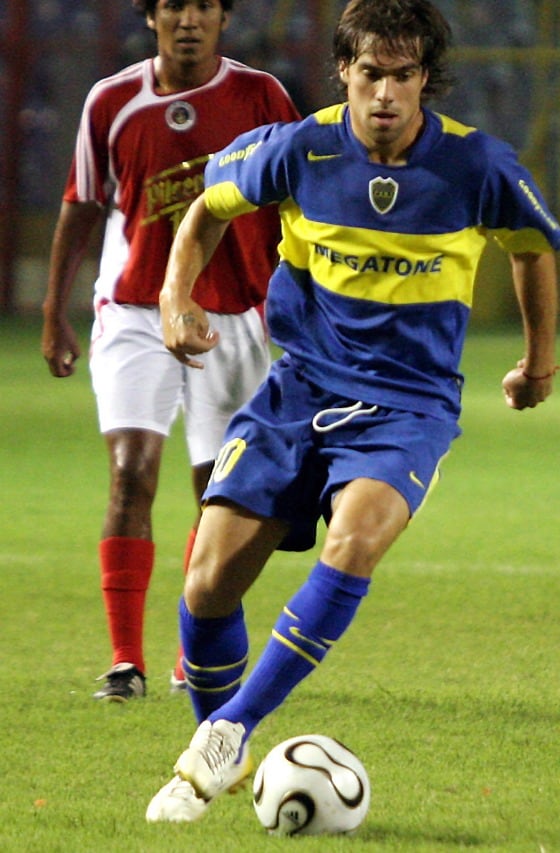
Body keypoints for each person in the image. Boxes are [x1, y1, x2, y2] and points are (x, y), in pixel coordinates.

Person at [144, 0, 560, 823]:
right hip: (300, 389)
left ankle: (229, 729)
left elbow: (531, 245)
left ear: (425, 81)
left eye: (404, 76)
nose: (385, 94)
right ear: (344, 72)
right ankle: (221, 741)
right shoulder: (300, 149)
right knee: (207, 583)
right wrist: (173, 296)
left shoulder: (476, 165)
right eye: (371, 73)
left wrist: (538, 359)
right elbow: (206, 208)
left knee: (354, 539)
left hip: (408, 404)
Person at [39, 0, 298, 702]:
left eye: (204, 5)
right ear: (151, 16)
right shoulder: (111, 100)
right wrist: (54, 310)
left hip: (233, 316)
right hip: (135, 310)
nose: (189, 19)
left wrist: (299, 297)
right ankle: (126, 661)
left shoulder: (261, 97)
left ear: (223, 17)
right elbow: (82, 203)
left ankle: (193, 653)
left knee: (220, 491)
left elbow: (295, 199)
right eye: (174, 5)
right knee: (131, 473)